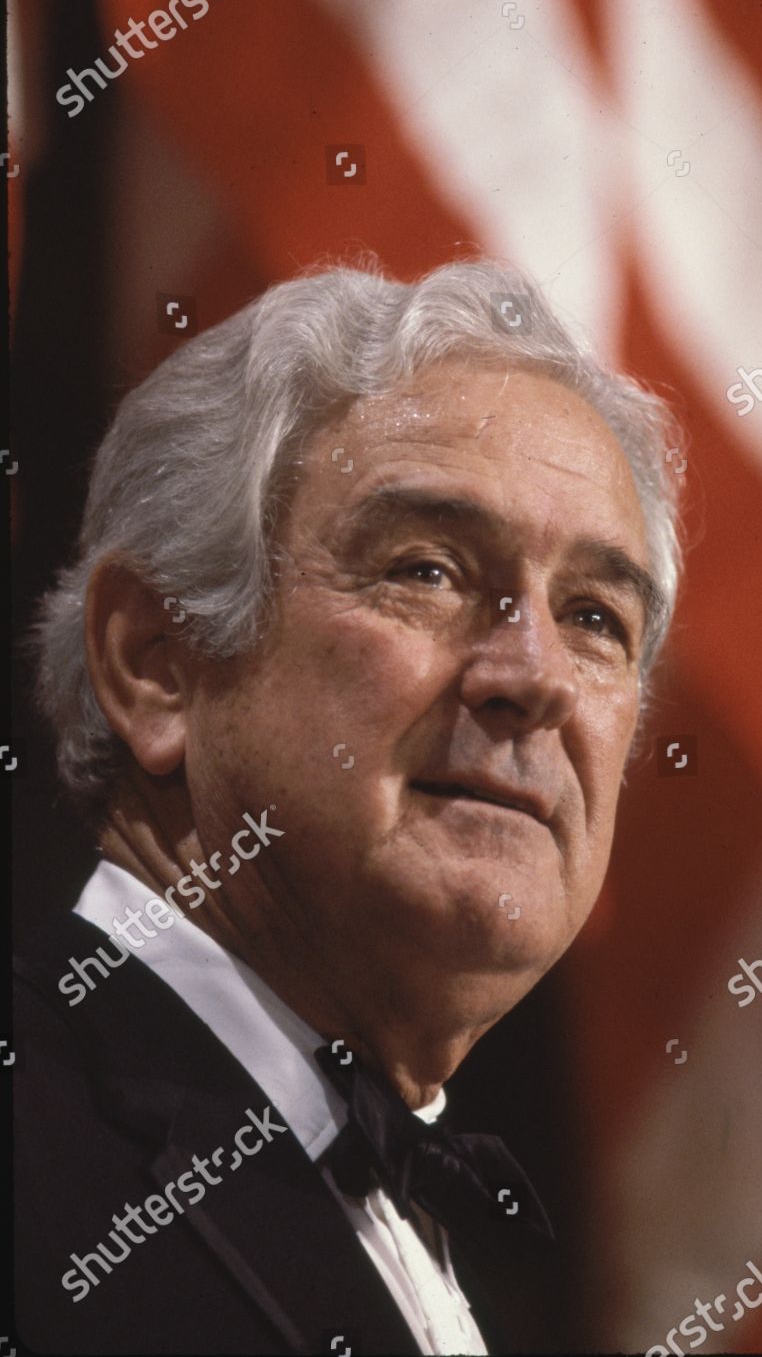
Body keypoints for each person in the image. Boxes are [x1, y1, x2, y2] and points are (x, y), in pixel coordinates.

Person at [14, 256, 684, 1355]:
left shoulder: (430, 1228)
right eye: (425, 570)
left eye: (595, 618)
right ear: (155, 666)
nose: (536, 676)